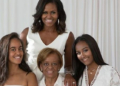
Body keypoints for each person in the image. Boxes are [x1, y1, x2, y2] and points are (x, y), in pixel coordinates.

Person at [20, 0, 76, 85]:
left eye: (53, 12)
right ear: (39, 14)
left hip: (53, 82)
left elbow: (69, 65)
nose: (49, 16)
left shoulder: (67, 36)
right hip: (28, 81)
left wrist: (68, 74)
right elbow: (19, 61)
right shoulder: (27, 33)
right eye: (45, 12)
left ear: (59, 14)